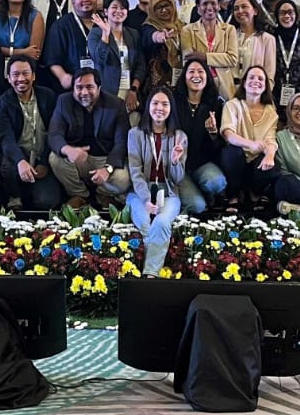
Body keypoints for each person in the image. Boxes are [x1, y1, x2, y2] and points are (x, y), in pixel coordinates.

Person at [47, 68, 132, 209]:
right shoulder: (64, 101)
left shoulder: (116, 105)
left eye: (89, 87)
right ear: (73, 88)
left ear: (99, 88)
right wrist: (68, 150)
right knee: (55, 158)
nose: (84, 92)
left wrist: (107, 169)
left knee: (123, 179)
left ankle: (103, 194)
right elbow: (54, 134)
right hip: (78, 158)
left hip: (105, 158)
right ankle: (80, 194)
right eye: (79, 87)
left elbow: (121, 142)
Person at [127, 87, 189, 275]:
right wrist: (146, 199)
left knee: (161, 222)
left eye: (164, 104)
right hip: (140, 192)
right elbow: (135, 172)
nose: (159, 108)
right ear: (148, 106)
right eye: (155, 103)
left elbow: (177, 179)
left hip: (168, 192)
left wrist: (176, 161)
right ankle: (152, 272)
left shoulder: (180, 137)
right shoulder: (135, 134)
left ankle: (149, 276)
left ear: (171, 108)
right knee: (146, 224)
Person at [0, 55, 61, 210]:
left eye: (25, 73)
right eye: (16, 75)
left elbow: (55, 133)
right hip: (18, 158)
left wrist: (44, 162)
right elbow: (6, 139)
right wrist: (20, 161)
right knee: (7, 164)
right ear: (8, 78)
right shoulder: (1, 104)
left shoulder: (49, 97)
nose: (21, 79)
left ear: (34, 76)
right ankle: (14, 196)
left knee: (47, 202)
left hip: (42, 157)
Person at [219, 65, 286, 212]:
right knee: (231, 153)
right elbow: (228, 134)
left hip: (256, 163)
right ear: (244, 83)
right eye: (252, 77)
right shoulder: (232, 105)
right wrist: (251, 144)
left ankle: (255, 194)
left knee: (273, 166)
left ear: (265, 86)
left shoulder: (271, 112)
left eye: (260, 79)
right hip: (237, 161)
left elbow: (270, 140)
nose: (256, 81)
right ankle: (233, 196)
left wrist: (269, 156)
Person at [172, 55, 228, 211]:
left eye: (200, 71)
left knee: (216, 183)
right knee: (197, 207)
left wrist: (213, 133)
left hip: (202, 164)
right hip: (178, 166)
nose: (196, 75)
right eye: (191, 72)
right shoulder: (173, 101)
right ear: (184, 77)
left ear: (207, 76)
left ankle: (207, 192)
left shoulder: (216, 104)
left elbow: (220, 146)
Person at [87, 0, 148, 114]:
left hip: (129, 91)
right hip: (106, 92)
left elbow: (140, 65)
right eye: (114, 7)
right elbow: (100, 59)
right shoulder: (96, 33)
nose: (119, 11)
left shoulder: (133, 34)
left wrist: (134, 90)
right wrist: (105, 33)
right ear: (106, 11)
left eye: (123, 8)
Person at [180, 0, 241, 99]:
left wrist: (205, 56)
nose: (209, 7)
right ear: (198, 8)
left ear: (219, 6)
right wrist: (221, 58)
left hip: (224, 86)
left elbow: (232, 59)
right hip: (198, 84)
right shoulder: (187, 30)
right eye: (205, 4)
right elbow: (189, 60)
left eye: (213, 3)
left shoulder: (229, 29)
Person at [42, 0, 102, 92]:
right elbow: (52, 59)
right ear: (73, 1)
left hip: (102, 87)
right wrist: (63, 77)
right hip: (72, 88)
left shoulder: (105, 23)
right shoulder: (60, 26)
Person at [0, 0, 46, 76]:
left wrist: (4, 51)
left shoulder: (35, 16)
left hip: (24, 71)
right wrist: (23, 52)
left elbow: (33, 53)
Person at [229, 0, 277, 95]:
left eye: (244, 7)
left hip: (256, 94)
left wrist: (260, 96)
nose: (240, 11)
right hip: (229, 92)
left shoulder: (267, 39)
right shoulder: (228, 36)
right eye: (236, 9)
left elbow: (269, 75)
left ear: (255, 11)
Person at [140, 0, 185, 92]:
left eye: (167, 5)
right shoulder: (149, 26)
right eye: (159, 7)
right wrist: (159, 36)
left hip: (181, 80)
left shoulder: (182, 26)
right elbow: (150, 36)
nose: (164, 10)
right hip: (158, 86)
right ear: (152, 10)